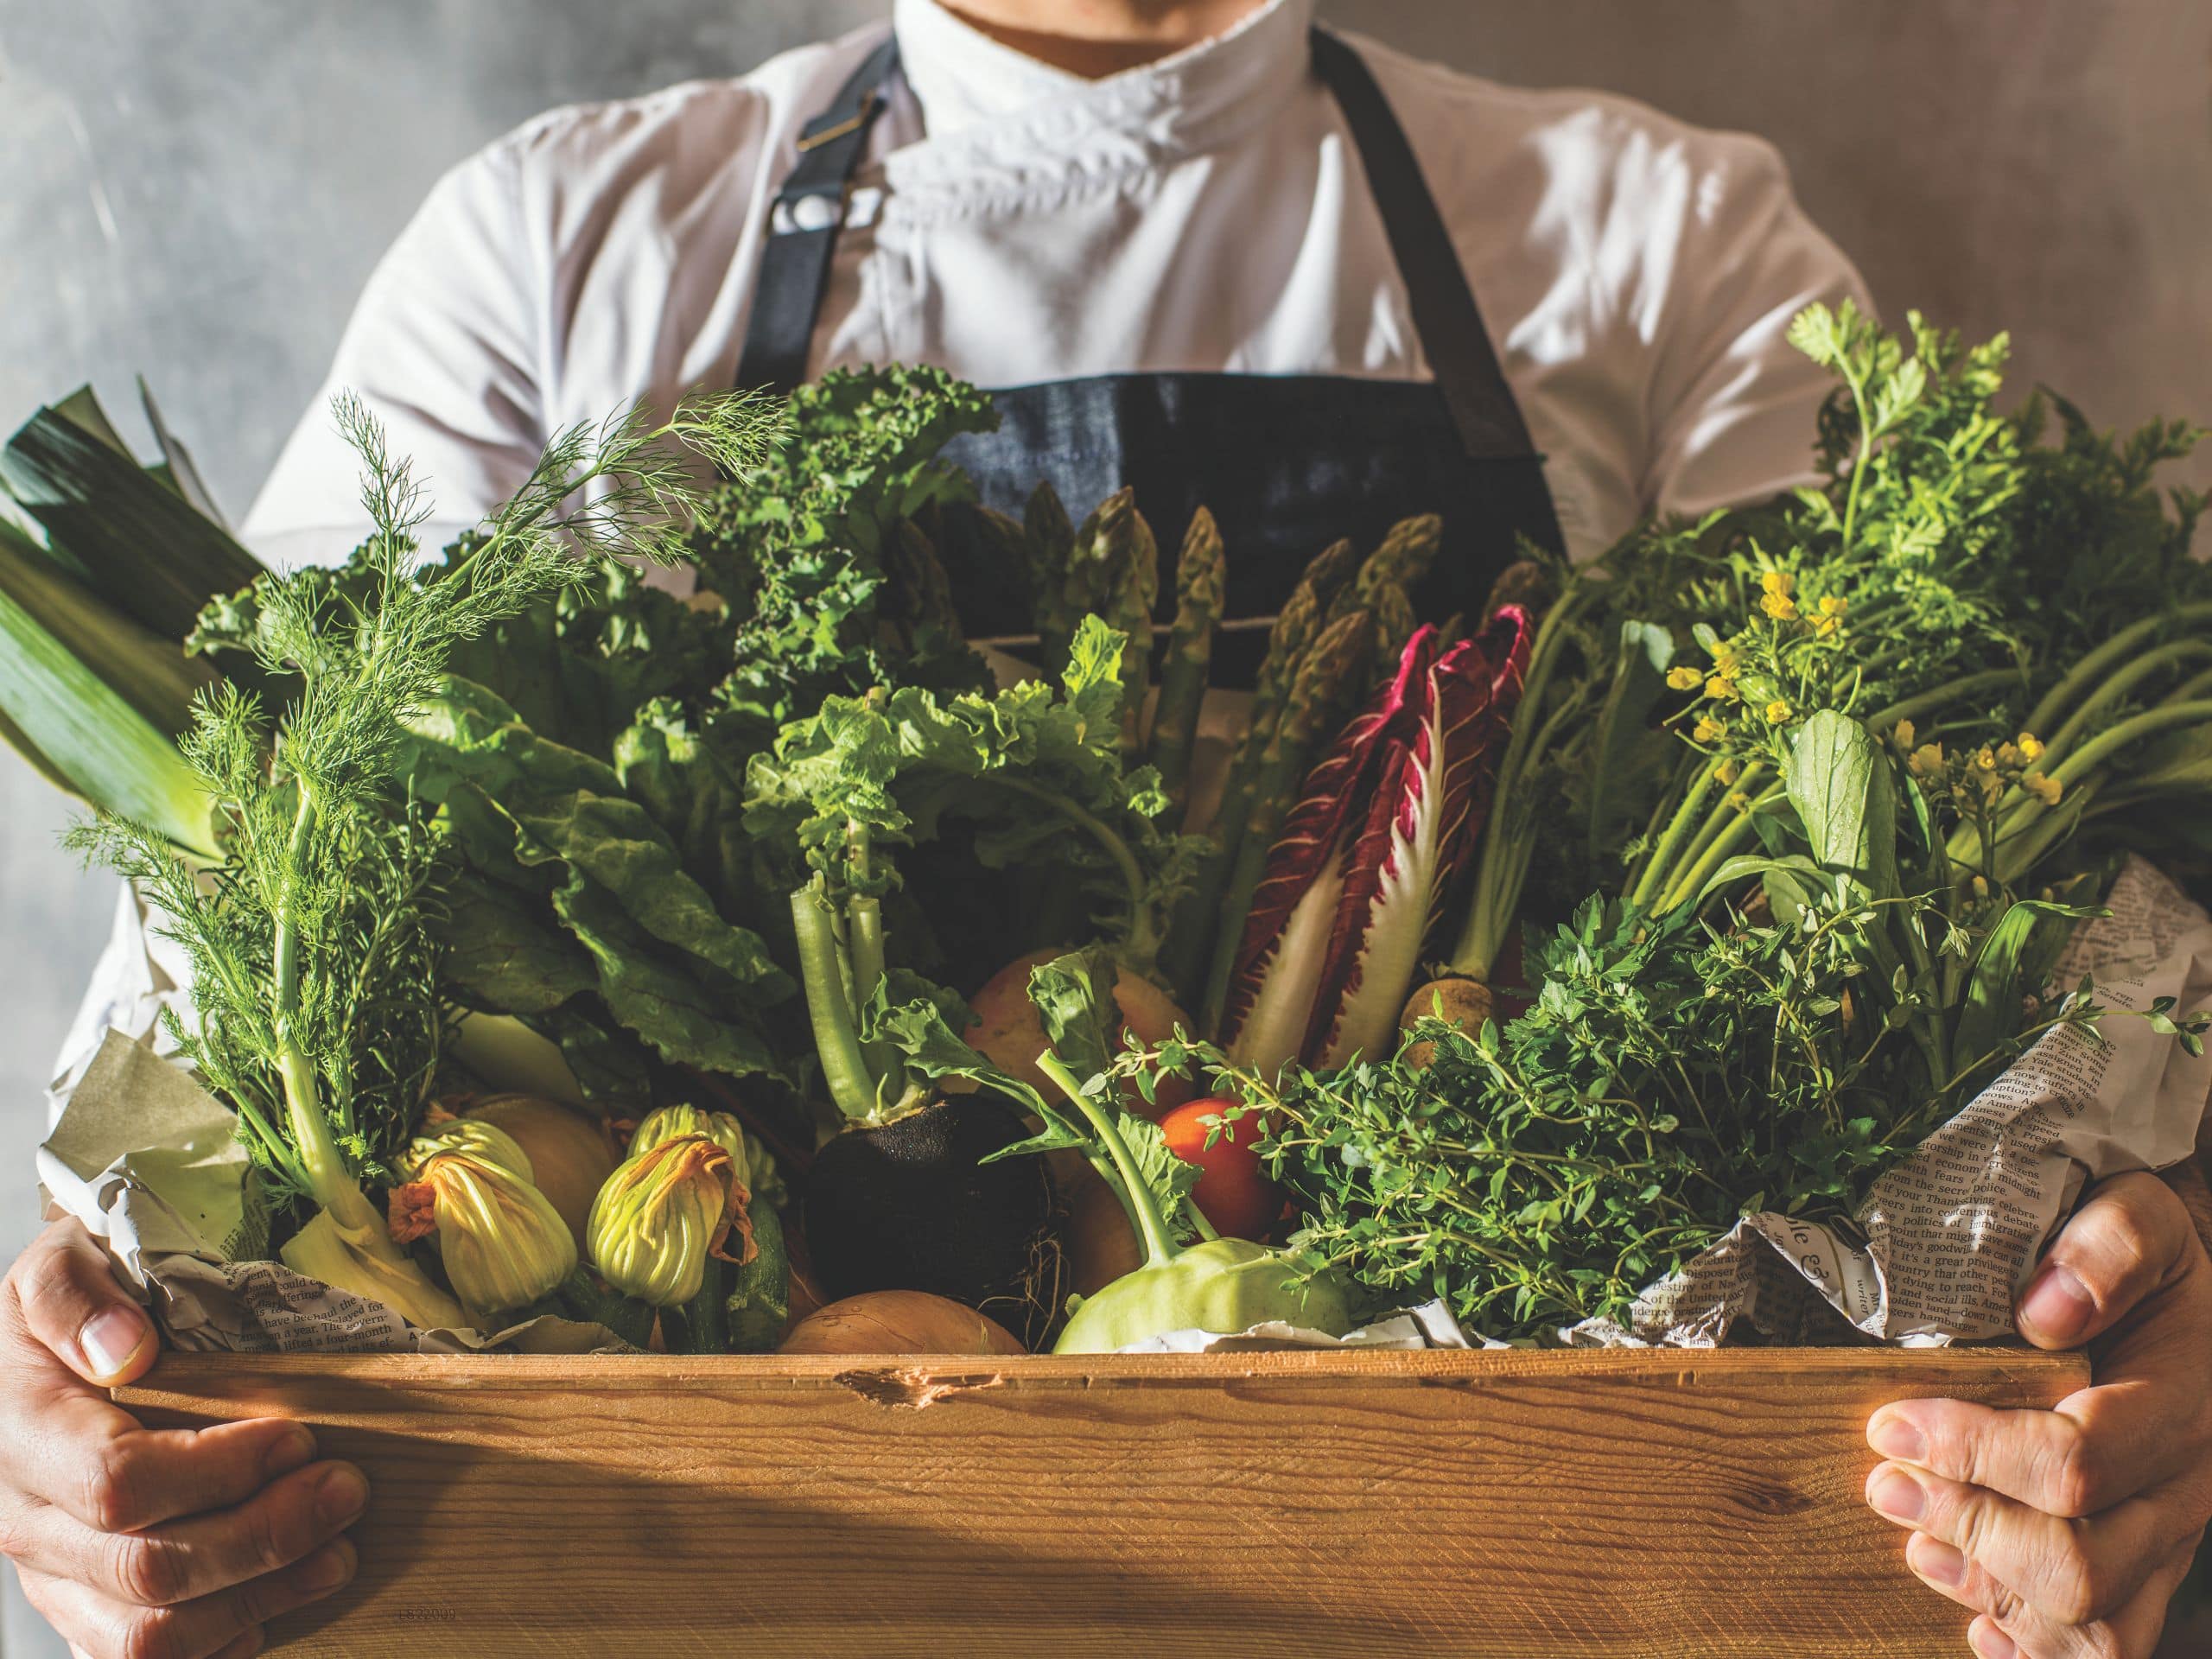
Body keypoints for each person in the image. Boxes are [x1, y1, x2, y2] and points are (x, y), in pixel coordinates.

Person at [3, 2, 2207, 1656]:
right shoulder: (557, 252)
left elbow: (1951, 962)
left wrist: (2136, 1285)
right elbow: (217, 989)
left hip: (1481, 1561)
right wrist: (83, 1392)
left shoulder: (1663, 250)